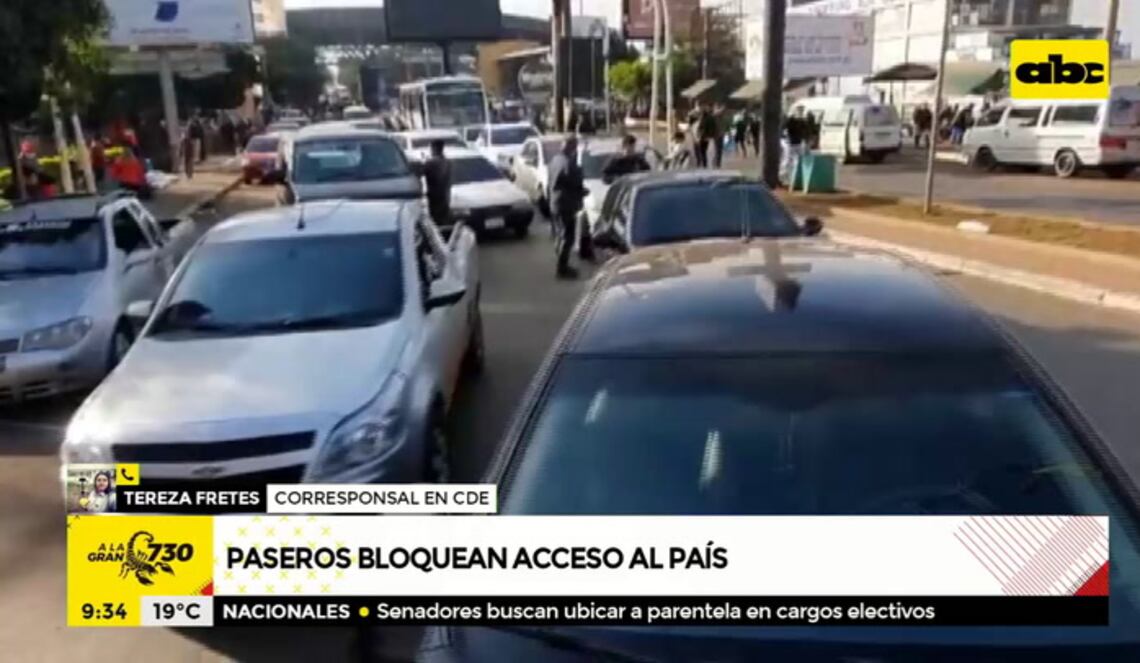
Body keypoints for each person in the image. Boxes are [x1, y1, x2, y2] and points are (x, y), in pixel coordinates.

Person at [547, 135, 588, 279]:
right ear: (572, 148)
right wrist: (583, 192)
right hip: (566, 205)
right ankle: (562, 268)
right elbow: (576, 184)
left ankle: (561, 263)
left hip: (555, 203)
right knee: (567, 236)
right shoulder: (569, 164)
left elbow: (551, 182)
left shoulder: (554, 160)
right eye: (575, 147)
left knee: (560, 234)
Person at [420, 139, 452, 230]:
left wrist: (424, 161)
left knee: (435, 222)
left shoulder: (431, 163)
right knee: (444, 219)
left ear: (434, 148)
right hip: (445, 195)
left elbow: (422, 172)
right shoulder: (448, 162)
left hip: (434, 196)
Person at [781, 108, 810, 186]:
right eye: (799, 111)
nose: (800, 112)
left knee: (796, 161)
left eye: (801, 111)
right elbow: (786, 130)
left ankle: (793, 178)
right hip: (790, 143)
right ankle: (783, 177)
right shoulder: (790, 121)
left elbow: (805, 131)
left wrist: (806, 140)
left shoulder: (802, 121)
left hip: (797, 143)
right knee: (787, 161)